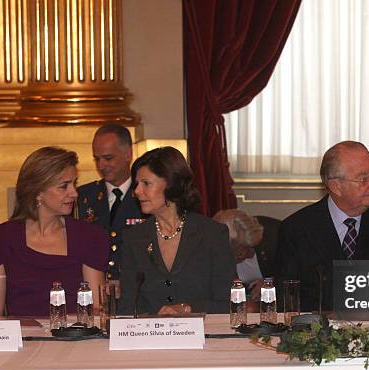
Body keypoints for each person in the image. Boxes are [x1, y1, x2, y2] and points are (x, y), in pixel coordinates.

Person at [276, 141, 369, 311]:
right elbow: (287, 297)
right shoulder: (296, 229)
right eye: (364, 178)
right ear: (336, 186)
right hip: (319, 332)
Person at [0, 147, 109, 317]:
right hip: (22, 340)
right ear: (37, 191)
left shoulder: (89, 237)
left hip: (76, 339)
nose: (74, 193)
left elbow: (96, 309)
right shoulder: (0, 238)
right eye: (64, 186)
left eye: (74, 184)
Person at [117, 147, 235, 315]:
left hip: (203, 335)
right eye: (136, 184)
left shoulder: (212, 234)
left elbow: (230, 302)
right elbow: (128, 306)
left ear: (171, 183)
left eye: (146, 183)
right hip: (150, 337)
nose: (136, 191)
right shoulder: (134, 238)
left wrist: (187, 309)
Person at [77, 124, 144, 281]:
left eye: (108, 158)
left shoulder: (146, 195)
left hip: (137, 292)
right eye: (97, 159)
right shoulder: (83, 197)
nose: (101, 166)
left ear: (128, 154)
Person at [213, 209, 275, 305]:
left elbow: (291, 276)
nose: (250, 253)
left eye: (252, 246)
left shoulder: (273, 238)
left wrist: (270, 281)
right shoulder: (213, 257)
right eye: (243, 248)